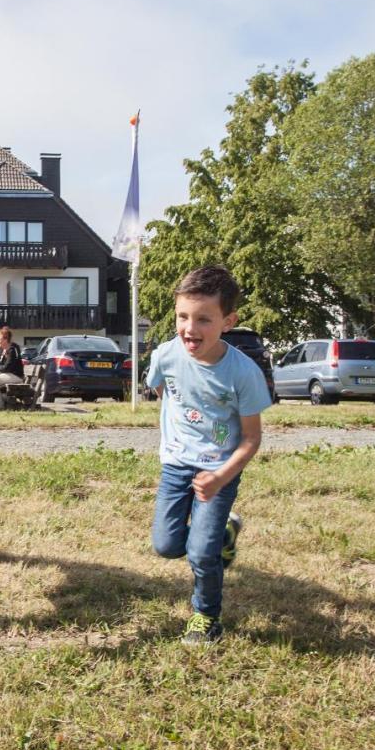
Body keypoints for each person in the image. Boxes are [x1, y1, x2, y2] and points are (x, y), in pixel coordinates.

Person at [144, 266, 271, 645]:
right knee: (166, 546)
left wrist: (219, 477)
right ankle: (223, 534)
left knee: (200, 553)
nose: (189, 328)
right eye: (182, 316)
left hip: (219, 471)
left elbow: (251, 439)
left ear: (227, 321)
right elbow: (162, 390)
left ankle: (206, 617)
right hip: (175, 466)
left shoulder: (243, 373)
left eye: (203, 319)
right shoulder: (166, 355)